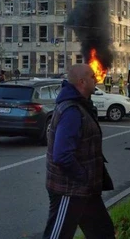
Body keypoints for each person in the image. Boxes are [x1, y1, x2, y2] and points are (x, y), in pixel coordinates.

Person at [42, 64, 115, 239]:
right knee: (57, 235)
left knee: (103, 233)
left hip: (86, 190)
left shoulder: (81, 106)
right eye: (92, 76)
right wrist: (84, 177)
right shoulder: (71, 112)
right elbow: (62, 156)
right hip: (69, 190)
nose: (96, 79)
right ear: (82, 82)